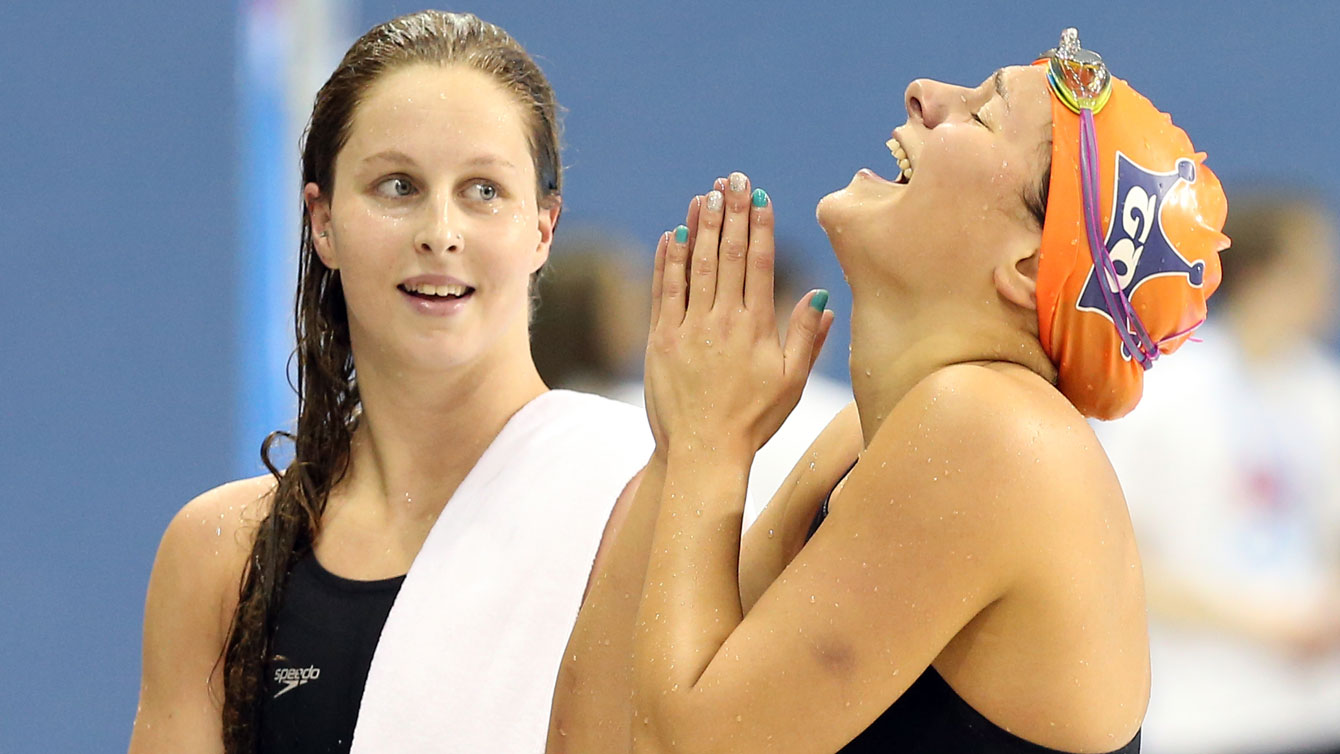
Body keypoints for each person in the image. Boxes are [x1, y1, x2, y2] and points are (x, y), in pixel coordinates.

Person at [548, 29, 1227, 753]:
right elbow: (599, 734)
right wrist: (682, 442)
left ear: (1029, 268)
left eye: (982, 114)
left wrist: (708, 448)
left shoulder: (993, 437)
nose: (925, 94)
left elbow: (684, 746)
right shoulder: (873, 437)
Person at [129, 11, 650, 754]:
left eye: (483, 191)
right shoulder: (220, 558)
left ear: (543, 227)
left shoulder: (637, 494)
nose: (440, 231)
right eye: (398, 185)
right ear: (324, 221)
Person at [1095, 193, 1340, 754]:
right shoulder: (1161, 394)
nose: (1326, 286)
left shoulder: (1324, 394)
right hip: (1203, 712)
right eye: (1308, 268)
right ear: (1258, 275)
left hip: (1315, 705)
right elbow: (1114, 555)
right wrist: (1257, 623)